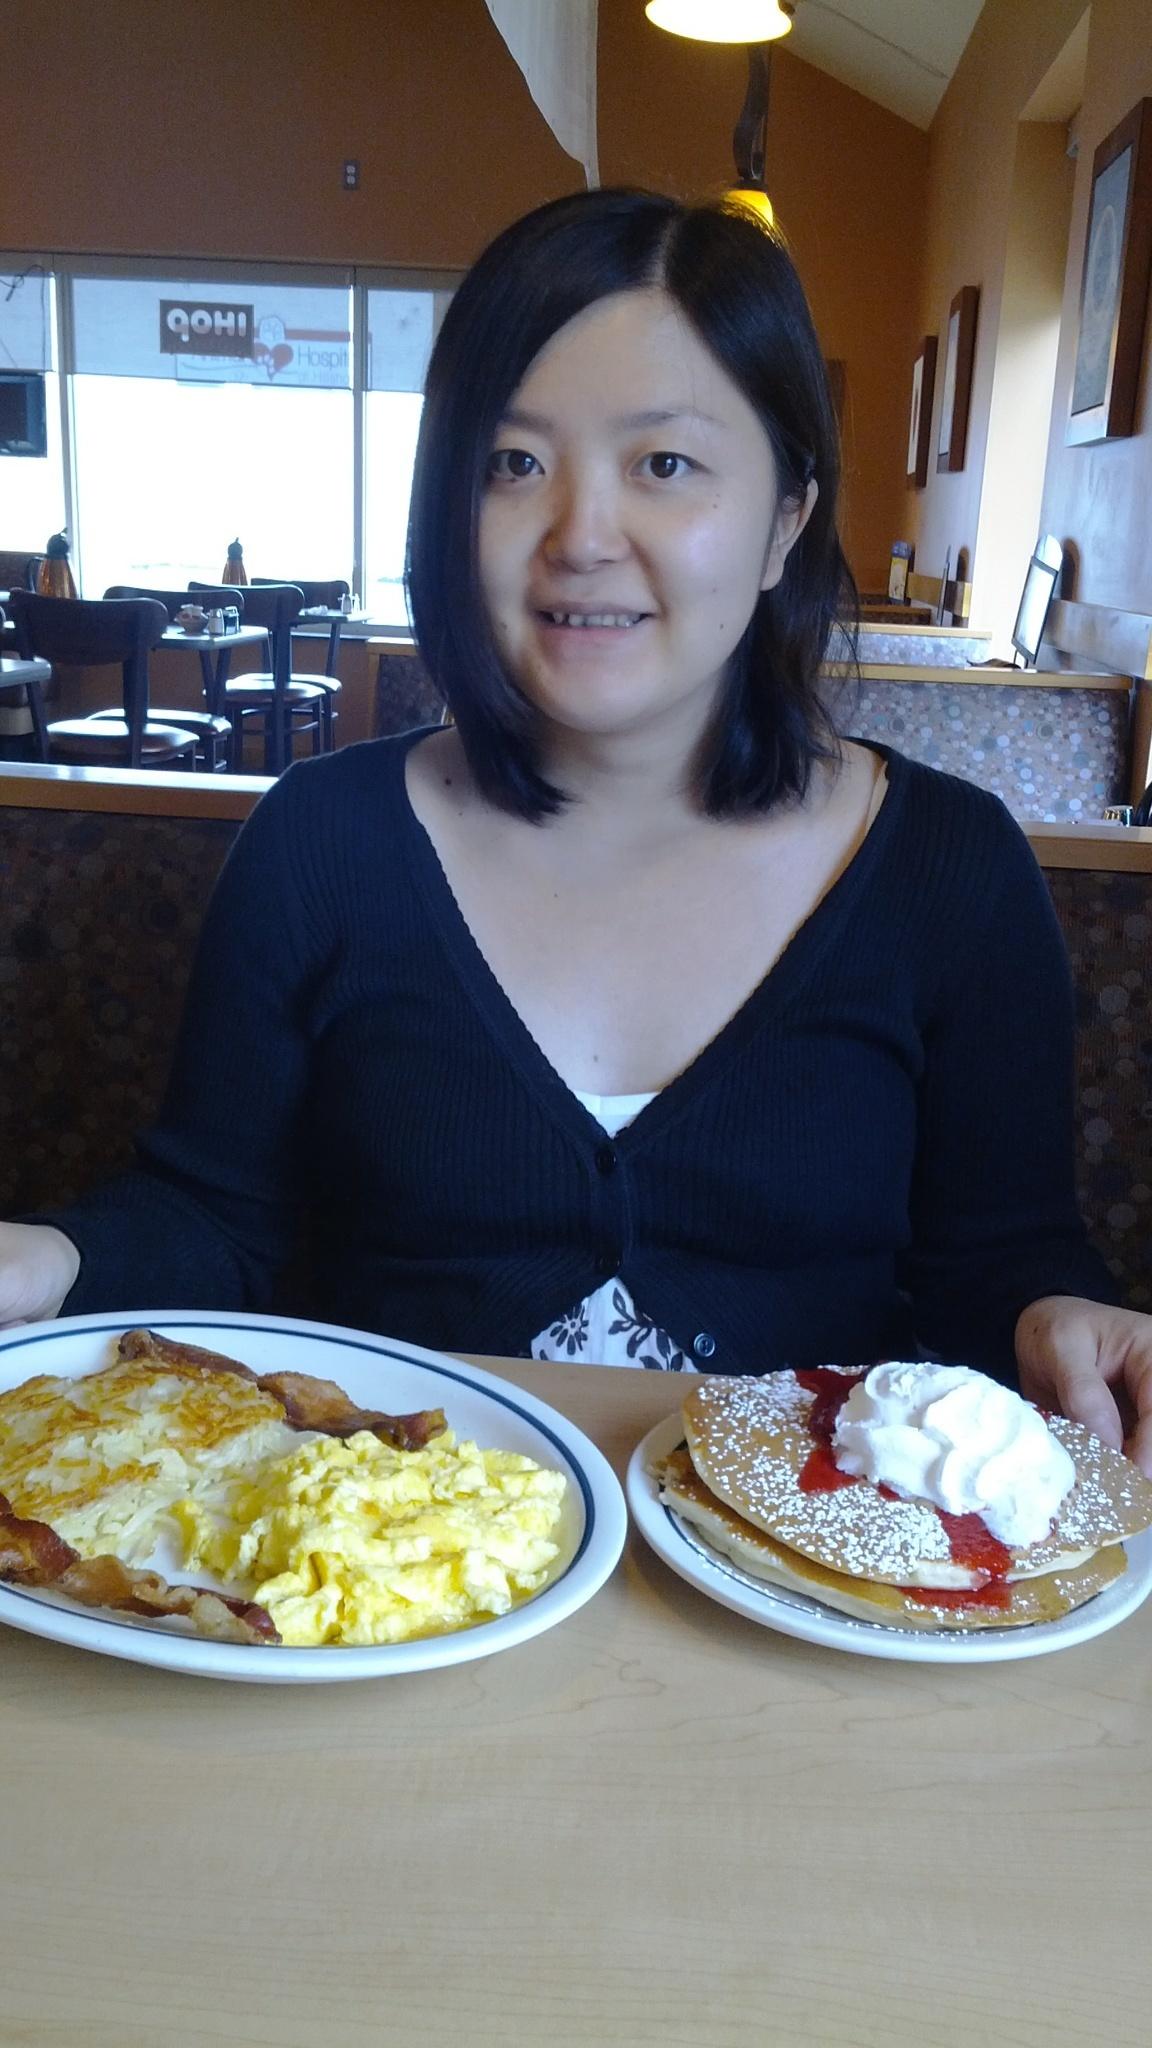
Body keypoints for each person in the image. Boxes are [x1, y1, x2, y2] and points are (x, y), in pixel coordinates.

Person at [2, 188, 1151, 1470]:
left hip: (799, 1572)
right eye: (513, 462)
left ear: (786, 515)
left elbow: (1002, 1265)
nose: (581, 538)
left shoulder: (952, 872)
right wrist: (50, 1260)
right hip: (372, 1556)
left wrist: (1059, 1317)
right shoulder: (323, 843)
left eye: (663, 464)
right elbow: (213, 1219)